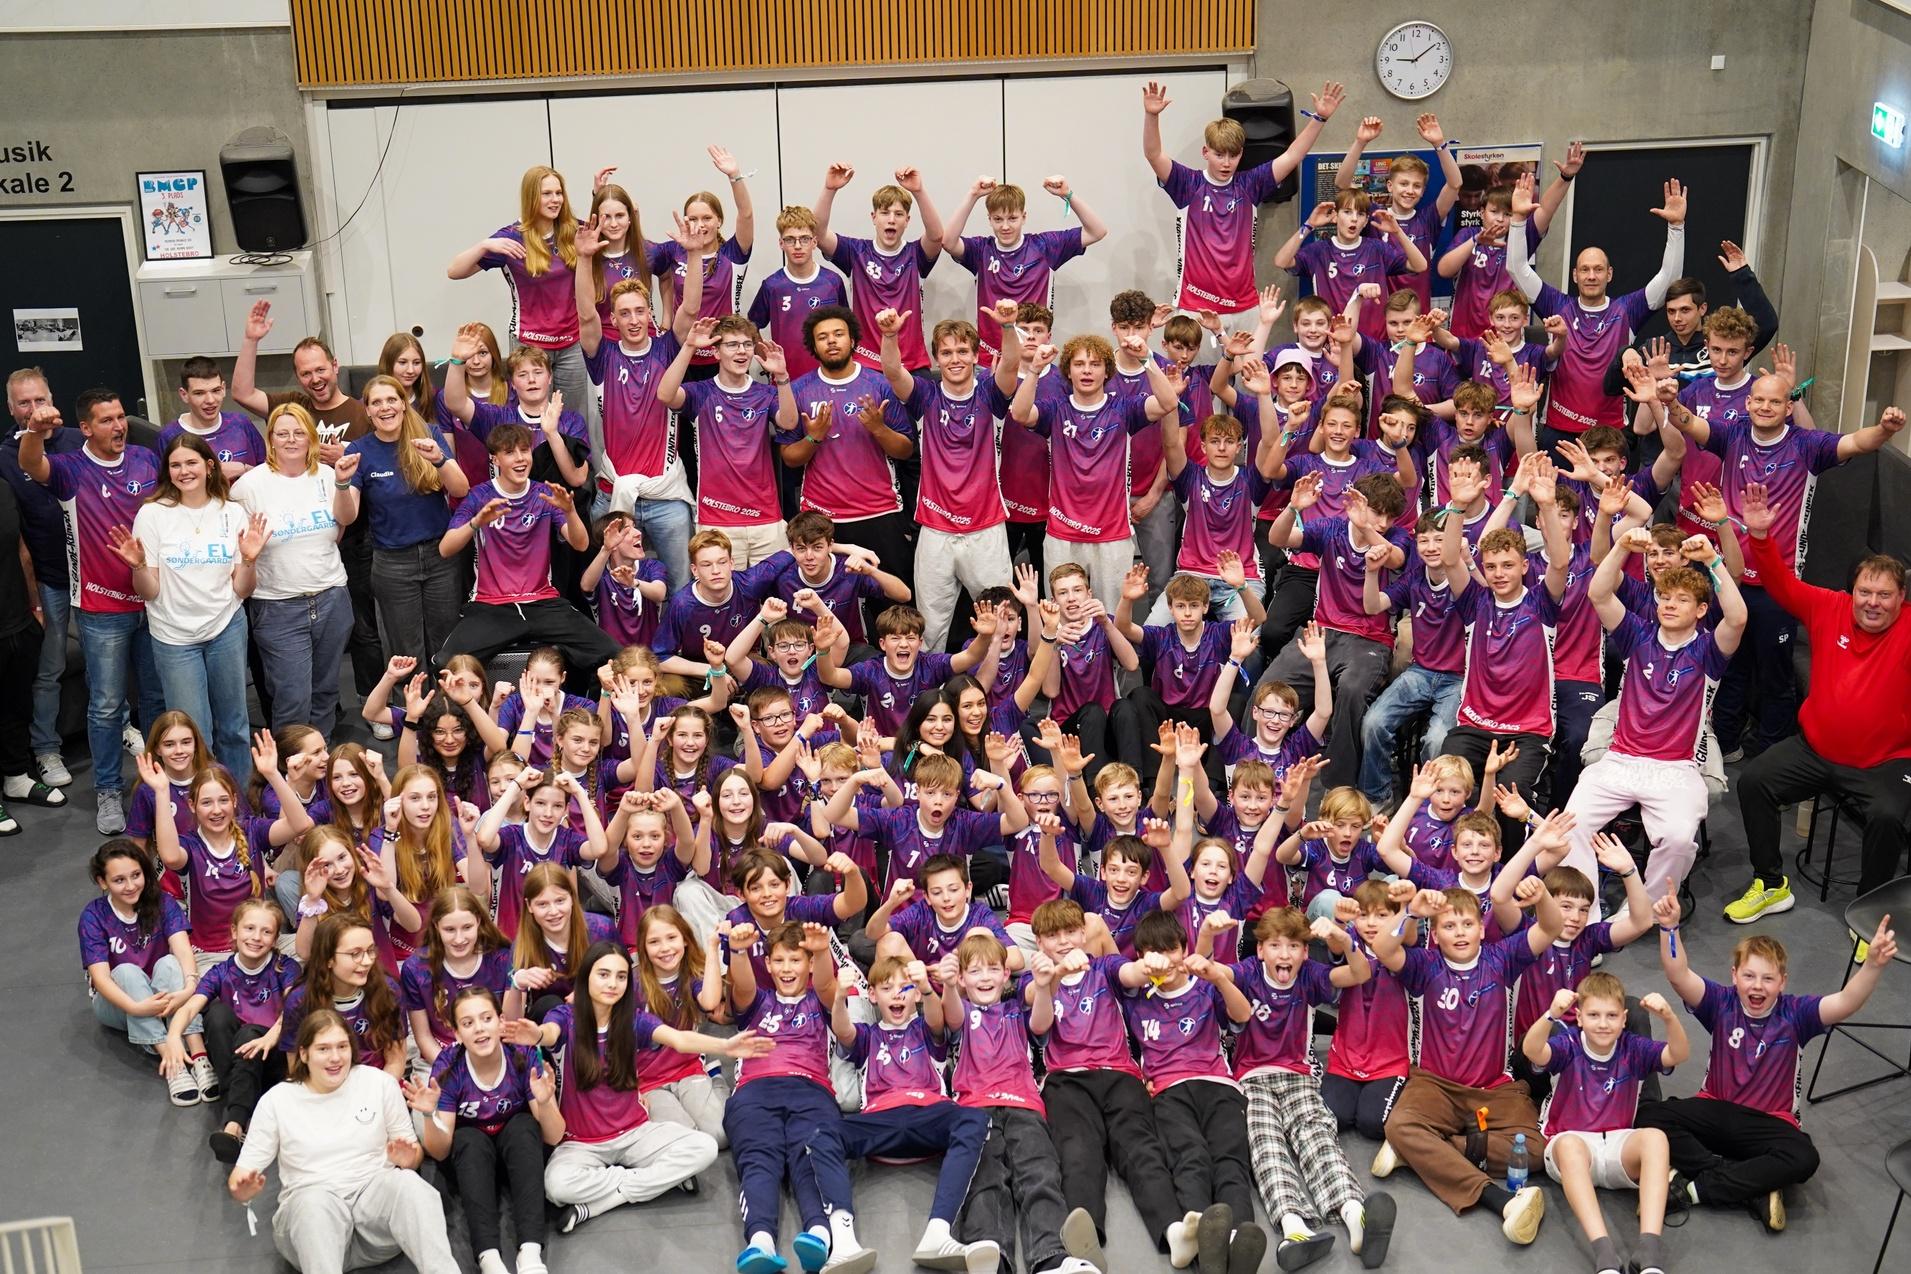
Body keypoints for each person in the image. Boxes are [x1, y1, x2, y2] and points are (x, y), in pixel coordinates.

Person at [1639, 896, 1898, 1231]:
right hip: (1716, 1108)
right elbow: (1678, 974)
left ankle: (1698, 1187)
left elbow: (1846, 1002)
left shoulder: (1797, 1014)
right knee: (1648, 1115)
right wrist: (1669, 927)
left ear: (1783, 982)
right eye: (1749, 976)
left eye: (1767, 978)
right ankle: (1748, 1185)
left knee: (1803, 1158)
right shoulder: (1720, 1002)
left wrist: (1873, 965)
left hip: (1768, 1123)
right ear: (1734, 976)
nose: (1757, 986)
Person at [1728, 480, 1911, 923]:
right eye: (1865, 592)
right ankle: (1770, 884)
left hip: (1883, 763)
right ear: (1852, 593)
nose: (1872, 603)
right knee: (1754, 782)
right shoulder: (1830, 607)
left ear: (1901, 600)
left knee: (1887, 818)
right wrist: (1759, 536)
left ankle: (1871, 915)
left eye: (1884, 595)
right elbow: (1779, 583)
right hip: (1814, 750)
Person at [504, 940, 772, 1233]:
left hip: (635, 1133)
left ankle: (600, 1203)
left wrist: (725, 1044)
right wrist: (536, 1033)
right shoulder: (566, 1018)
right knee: (556, 1186)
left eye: (621, 976)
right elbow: (548, 1033)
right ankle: (651, 1180)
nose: (613, 983)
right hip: (581, 1143)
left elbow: (680, 1039)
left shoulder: (633, 1021)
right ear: (586, 978)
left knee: (704, 1147)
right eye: (603, 974)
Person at [1372, 883, 1565, 1245]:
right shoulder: (1423, 966)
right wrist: (1411, 912)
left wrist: (1542, 898)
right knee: (1400, 1125)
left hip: (1494, 1086)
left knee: (1537, 1151)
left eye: (1466, 924)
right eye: (1448, 926)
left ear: (1481, 928)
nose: (1459, 933)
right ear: (1436, 933)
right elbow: (1383, 947)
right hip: (1435, 1085)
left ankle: (1432, 1152)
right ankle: (1497, 1199)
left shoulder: (1501, 958)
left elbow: (1550, 928)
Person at [1562, 530, 1745, 911]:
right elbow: (1598, 593)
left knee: (1679, 840)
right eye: (1664, 597)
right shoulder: (1637, 635)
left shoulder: (1708, 651)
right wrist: (1621, 548)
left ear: (1699, 610)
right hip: (1621, 760)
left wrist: (1713, 561)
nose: (1669, 604)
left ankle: (1641, 910)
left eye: (1682, 600)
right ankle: (1585, 912)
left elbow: (1738, 616)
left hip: (1675, 769)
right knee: (1571, 824)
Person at [17, 387, 160, 833]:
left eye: (120, 417)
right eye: (106, 420)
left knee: (156, 699)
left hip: (155, 601)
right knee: (105, 706)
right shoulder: (69, 470)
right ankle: (109, 793)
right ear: (85, 427)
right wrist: (35, 433)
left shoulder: (145, 458)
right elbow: (30, 464)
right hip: (101, 609)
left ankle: (160, 787)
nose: (118, 426)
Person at [230, 302, 382, 716]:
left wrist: (348, 457)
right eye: (305, 372)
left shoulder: (359, 411)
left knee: (358, 631)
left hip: (350, 531)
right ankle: (299, 731)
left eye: (320, 369)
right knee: (293, 669)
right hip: (290, 548)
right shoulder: (293, 407)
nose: (315, 379)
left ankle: (364, 704)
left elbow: (385, 454)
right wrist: (251, 339)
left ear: (335, 366)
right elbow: (242, 392)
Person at [228, 1009, 460, 1274]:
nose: (335, 1057)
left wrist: (410, 1159)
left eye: (342, 1047)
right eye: (323, 1049)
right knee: (314, 1204)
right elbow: (241, 1175)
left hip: (375, 1221)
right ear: (304, 1054)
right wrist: (241, 1190)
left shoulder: (379, 1083)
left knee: (412, 1186)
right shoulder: (277, 1100)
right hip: (311, 1227)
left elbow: (412, 1153)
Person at [113, 432, 268, 783]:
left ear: (209, 466)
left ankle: (238, 805)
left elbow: (242, 589)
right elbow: (149, 593)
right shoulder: (152, 515)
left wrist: (249, 560)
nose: (184, 471)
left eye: (191, 462)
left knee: (235, 727)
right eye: (176, 465)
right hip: (173, 637)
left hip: (225, 627)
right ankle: (199, 808)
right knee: (193, 734)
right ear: (168, 471)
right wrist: (137, 566)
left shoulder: (232, 513)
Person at [1520, 974, 1689, 1274]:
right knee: (1571, 1146)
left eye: (1611, 1015)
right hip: (1571, 1143)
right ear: (1580, 1018)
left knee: (1656, 1138)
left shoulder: (1633, 1047)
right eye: (1594, 1015)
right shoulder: (1568, 1043)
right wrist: (1551, 1015)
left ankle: (1648, 1252)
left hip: (1617, 1146)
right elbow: (1532, 1050)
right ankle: (1605, 1254)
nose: (1603, 1023)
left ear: (1624, 1019)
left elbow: (1678, 1053)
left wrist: (1670, 1017)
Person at [1503, 174, 1687, 443]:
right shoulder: (1557, 305)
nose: (1591, 275)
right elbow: (1516, 268)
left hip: (1609, 433)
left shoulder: (1627, 310)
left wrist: (1676, 227)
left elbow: (1669, 280)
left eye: (1598, 269)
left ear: (1609, 274)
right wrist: (1518, 221)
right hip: (1558, 429)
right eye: (1585, 270)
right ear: (1575, 275)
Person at [573, 212, 703, 587]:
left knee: (679, 590)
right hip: (613, 493)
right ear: (612, 318)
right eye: (624, 313)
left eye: (640, 311)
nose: (633, 319)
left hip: (666, 499)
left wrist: (693, 255)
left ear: (650, 314)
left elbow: (690, 309)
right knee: (612, 590)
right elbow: (584, 316)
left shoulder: (667, 348)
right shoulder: (603, 356)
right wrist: (583, 259)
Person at [1142, 78, 1345, 314]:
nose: (1227, 163)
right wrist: (1151, 116)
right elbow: (1153, 154)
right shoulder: (1188, 184)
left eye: (1233, 155)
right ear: (1205, 152)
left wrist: (1319, 118)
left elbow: (1293, 155)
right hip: (1196, 305)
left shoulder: (1250, 184)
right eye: (1219, 155)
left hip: (1244, 305)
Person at [1007, 334, 1178, 611]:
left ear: (1107, 371)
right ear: (1068, 370)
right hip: (1063, 533)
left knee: (1109, 617)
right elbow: (1020, 413)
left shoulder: (1123, 407)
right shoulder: (1056, 408)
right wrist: (1035, 369)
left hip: (1112, 534)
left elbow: (1168, 402)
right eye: (1079, 364)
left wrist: (1147, 357)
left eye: (1095, 364)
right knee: (1060, 616)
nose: (1087, 370)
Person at [435, 423, 619, 675]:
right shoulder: (479, 496)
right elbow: (445, 549)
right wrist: (476, 522)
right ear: (495, 458)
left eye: (525, 450)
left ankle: (581, 707)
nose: (520, 458)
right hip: (492, 605)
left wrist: (569, 510)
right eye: (510, 452)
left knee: (612, 655)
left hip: (543, 602)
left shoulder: (545, 495)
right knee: (445, 664)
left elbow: (581, 544)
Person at [407, 986, 564, 1274]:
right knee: (467, 1137)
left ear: (501, 1021)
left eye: (486, 1019)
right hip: (473, 1159)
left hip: (516, 1151)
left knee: (525, 1125)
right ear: (456, 1034)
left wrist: (545, 1103)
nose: (479, 1029)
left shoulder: (522, 1053)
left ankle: (530, 1251)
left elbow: (553, 1136)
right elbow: (441, 1151)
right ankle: (488, 1257)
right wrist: (429, 1115)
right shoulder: (449, 1065)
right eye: (468, 1023)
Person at [231, 402, 357, 734]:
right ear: (270, 439)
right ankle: (289, 770)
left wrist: (343, 485)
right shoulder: (250, 485)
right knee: (291, 697)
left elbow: (342, 525)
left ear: (310, 438)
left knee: (327, 690)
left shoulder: (328, 476)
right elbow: (239, 546)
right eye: (282, 433)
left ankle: (321, 757)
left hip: (331, 597)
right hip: (278, 607)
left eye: (299, 432)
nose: (291, 440)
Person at [342, 374, 469, 693]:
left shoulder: (428, 435)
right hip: (393, 564)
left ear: (403, 403)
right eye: (376, 402)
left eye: (391, 399)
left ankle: (450, 716)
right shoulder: (360, 450)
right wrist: (342, 482)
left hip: (440, 556)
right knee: (406, 651)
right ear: (367, 411)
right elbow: (348, 515)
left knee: (446, 643)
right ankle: (416, 720)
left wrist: (439, 459)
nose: (385, 407)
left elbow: (461, 488)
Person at [779, 306, 917, 586]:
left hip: (880, 512)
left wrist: (878, 429)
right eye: (823, 337)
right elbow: (789, 458)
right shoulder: (798, 390)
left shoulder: (880, 384)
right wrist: (814, 437)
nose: (831, 341)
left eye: (838, 334)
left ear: (853, 340)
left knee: (894, 610)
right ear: (813, 347)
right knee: (828, 608)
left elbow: (906, 451)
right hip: (822, 519)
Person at [446, 164, 594, 425]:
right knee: (532, 420)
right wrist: (484, 245)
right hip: (530, 342)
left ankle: (573, 467)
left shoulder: (574, 231)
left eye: (559, 193)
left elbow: (612, 232)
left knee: (573, 419)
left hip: (572, 343)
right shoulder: (512, 237)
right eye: (547, 193)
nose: (555, 199)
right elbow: (454, 271)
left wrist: (600, 195)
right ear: (531, 197)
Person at [162, 896, 300, 1163]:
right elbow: (190, 1008)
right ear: (235, 932)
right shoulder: (220, 972)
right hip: (237, 1063)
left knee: (250, 1034)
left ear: (274, 939)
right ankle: (245, 1110)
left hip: (273, 1057)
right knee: (216, 1014)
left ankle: (234, 1124)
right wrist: (172, 1036)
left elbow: (294, 1009)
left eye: (266, 931)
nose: (256, 937)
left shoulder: (285, 967)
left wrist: (270, 1036)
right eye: (249, 929)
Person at [657, 316, 798, 566]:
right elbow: (665, 394)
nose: (741, 350)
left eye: (747, 344)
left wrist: (783, 376)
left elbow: (788, 422)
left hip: (765, 519)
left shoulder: (765, 393)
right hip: (716, 519)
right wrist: (689, 346)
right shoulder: (701, 392)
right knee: (723, 600)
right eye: (732, 345)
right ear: (716, 353)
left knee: (774, 600)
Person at [2, 366, 84, 790]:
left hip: (96, 575)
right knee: (49, 668)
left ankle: (124, 725)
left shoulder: (79, 438)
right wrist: (31, 597)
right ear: (11, 407)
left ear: (51, 397)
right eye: (23, 402)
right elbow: (14, 537)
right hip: (51, 578)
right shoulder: (6, 457)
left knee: (110, 659)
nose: (34, 409)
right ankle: (46, 749)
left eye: (39, 399)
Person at [80, 839, 207, 1105]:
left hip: (162, 994)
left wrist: (188, 987)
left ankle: (198, 1054)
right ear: (102, 882)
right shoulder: (93, 915)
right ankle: (172, 1061)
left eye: (136, 875)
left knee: (171, 964)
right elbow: (102, 979)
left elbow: (183, 950)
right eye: (119, 880)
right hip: (120, 1002)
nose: (130, 886)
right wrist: (136, 1008)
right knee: (126, 971)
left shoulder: (163, 902)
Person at [946, 176, 1105, 366]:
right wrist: (973, 195)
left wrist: (1067, 195)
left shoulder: (1045, 247)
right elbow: (948, 241)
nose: (1005, 226)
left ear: (1024, 217)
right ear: (989, 220)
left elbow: (1097, 231)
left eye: (1012, 218)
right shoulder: (981, 250)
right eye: (998, 219)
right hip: (990, 361)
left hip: (1034, 359)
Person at [814, 164, 945, 372]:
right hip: (867, 364)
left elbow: (937, 236)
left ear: (907, 220)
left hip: (912, 364)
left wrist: (918, 191)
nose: (891, 219)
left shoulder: (915, 255)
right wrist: (830, 190)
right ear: (874, 218)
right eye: (885, 213)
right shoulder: (855, 253)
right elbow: (818, 235)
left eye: (899, 214)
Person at [748, 204, 851, 382]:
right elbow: (751, 327)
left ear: (814, 242)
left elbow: (847, 328)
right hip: (786, 380)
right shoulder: (772, 285)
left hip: (829, 379)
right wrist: (766, 358)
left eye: (804, 239)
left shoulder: (832, 281)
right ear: (781, 243)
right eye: (790, 240)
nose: (797, 246)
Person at [159, 355, 265, 481]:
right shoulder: (169, 436)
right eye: (199, 393)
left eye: (216, 390)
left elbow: (267, 473)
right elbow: (166, 486)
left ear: (224, 389)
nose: (210, 400)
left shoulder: (240, 423)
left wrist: (244, 469)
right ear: (184, 395)